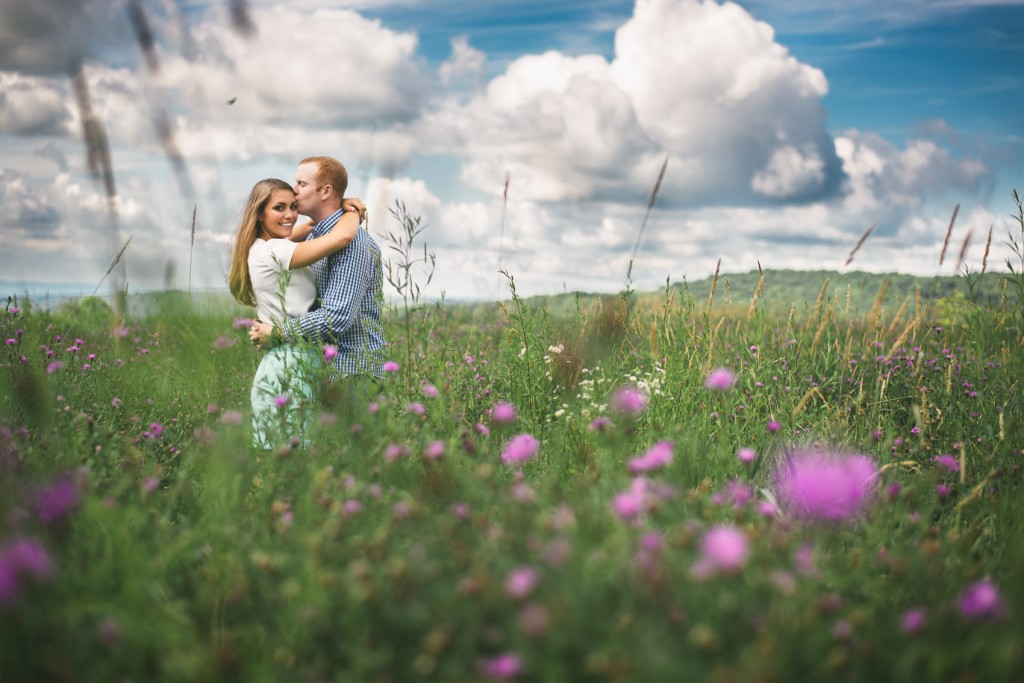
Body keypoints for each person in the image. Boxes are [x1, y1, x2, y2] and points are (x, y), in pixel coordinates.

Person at [228, 178, 363, 448]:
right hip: (293, 364)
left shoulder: (259, 247)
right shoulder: (276, 250)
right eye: (279, 208)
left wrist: (330, 211)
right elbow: (344, 236)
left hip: (278, 362)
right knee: (293, 458)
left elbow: (297, 232)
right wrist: (353, 213)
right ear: (259, 213)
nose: (290, 215)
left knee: (275, 457)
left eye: (293, 206)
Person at [249, 156, 385, 416]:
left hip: (354, 373)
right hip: (327, 370)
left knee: (355, 455)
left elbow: (336, 317)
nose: (295, 190)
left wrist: (278, 332)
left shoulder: (352, 244)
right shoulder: (317, 237)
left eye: (301, 183)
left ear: (325, 191)